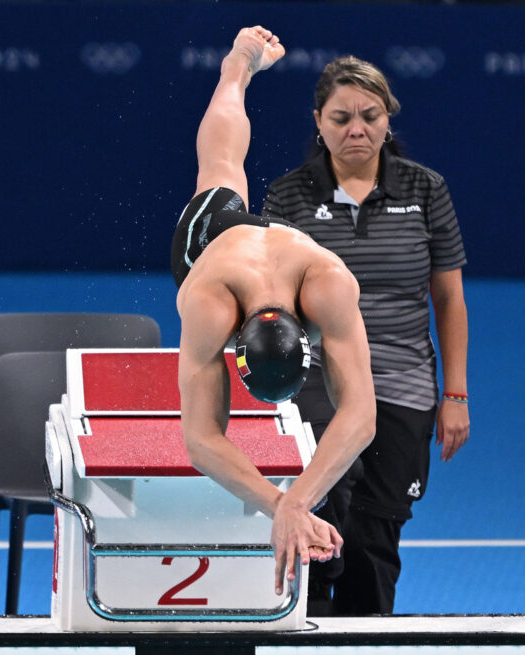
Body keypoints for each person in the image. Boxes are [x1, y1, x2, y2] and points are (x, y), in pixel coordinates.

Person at [172, 27, 377, 598]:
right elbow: (201, 438)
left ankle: (239, 68)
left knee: (223, 168)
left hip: (282, 248)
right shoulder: (206, 303)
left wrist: (296, 502)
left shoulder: (329, 280)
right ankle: (235, 66)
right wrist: (280, 504)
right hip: (211, 245)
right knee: (217, 168)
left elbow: (361, 416)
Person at [262, 55, 470, 615]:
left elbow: (447, 298)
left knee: (376, 539)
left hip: (402, 388)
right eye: (341, 118)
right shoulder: (288, 197)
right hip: (316, 393)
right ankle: (302, 652)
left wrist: (455, 394)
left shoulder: (426, 190)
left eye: (370, 116)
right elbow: (270, 302)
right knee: (316, 531)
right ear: (318, 122)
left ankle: (364, 652)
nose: (356, 129)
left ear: (388, 120)